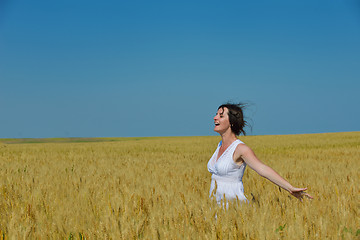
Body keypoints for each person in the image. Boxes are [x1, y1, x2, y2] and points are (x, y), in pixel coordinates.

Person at [207, 103, 313, 204]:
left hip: (232, 206)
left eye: (221, 116)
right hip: (215, 206)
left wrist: (290, 188)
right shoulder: (219, 145)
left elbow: (262, 169)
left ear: (231, 122)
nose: (215, 118)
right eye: (216, 114)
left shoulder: (240, 149)